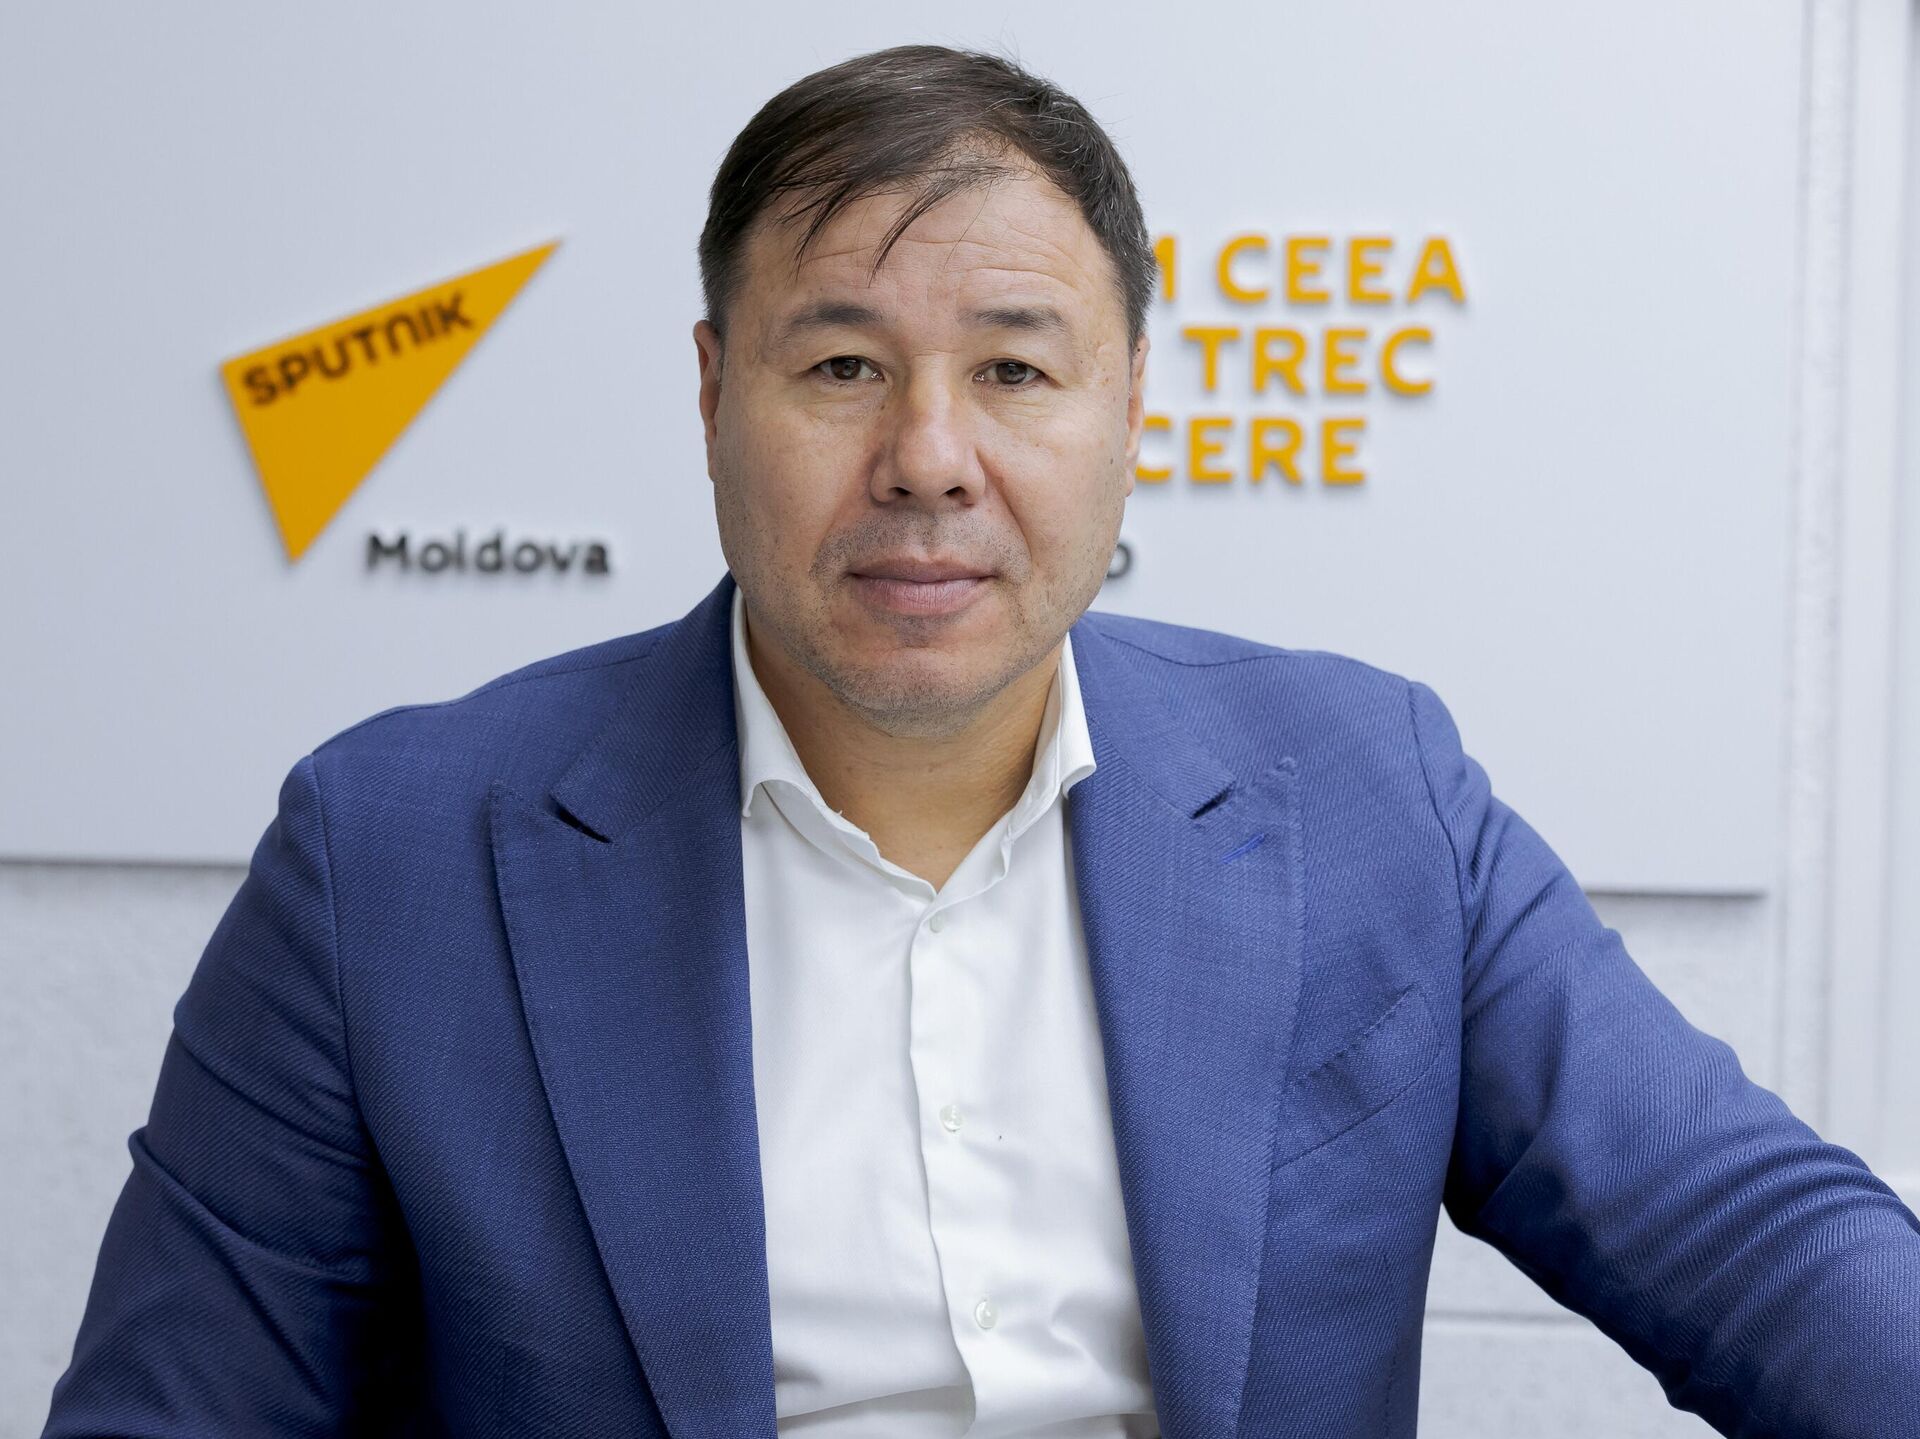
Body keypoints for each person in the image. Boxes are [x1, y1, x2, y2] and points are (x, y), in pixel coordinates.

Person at [42, 42, 1920, 1439]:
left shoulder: (1367, 791)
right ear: (712, 393)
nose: (929, 456)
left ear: (1130, 405)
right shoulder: (389, 855)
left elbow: (1752, 1239)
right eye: (842, 367)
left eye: (1014, 369)